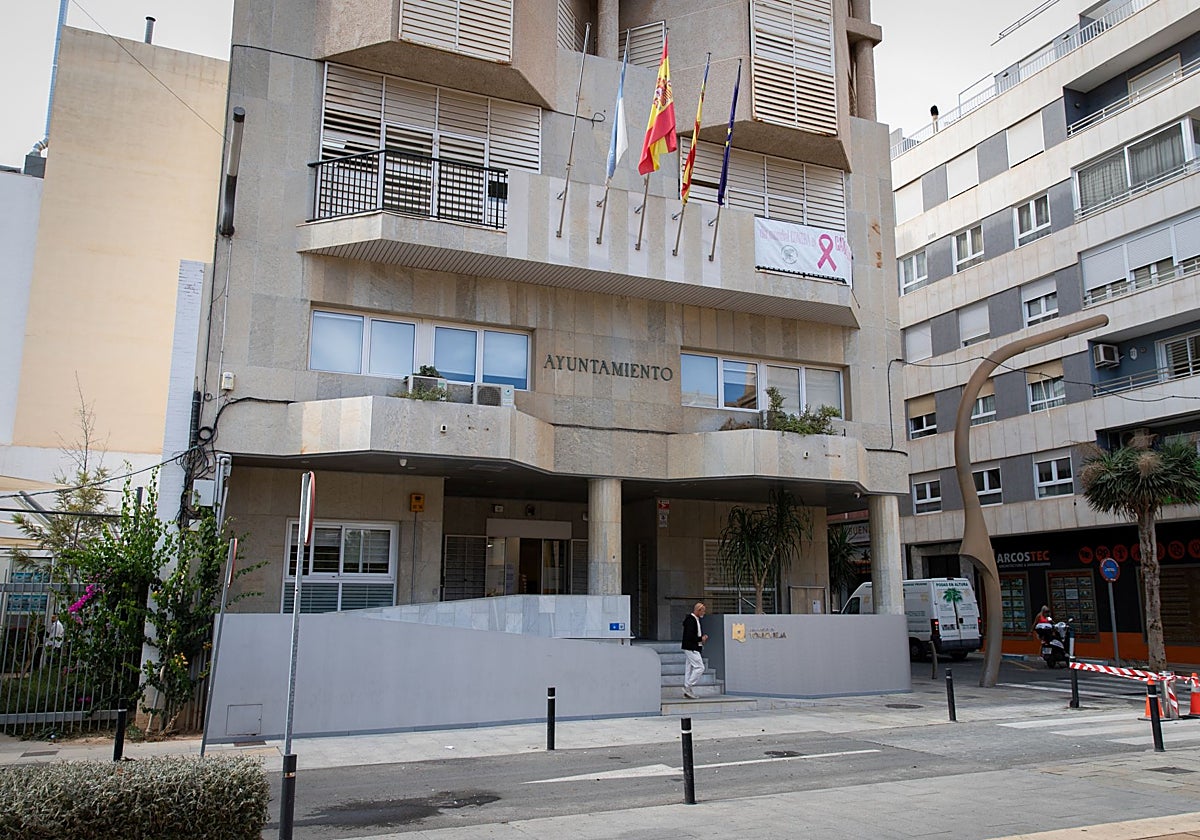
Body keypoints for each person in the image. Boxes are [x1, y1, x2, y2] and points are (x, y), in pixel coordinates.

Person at [681, 602, 708, 699]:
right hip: (691, 647)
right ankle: (688, 686)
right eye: (703, 611)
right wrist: (701, 639)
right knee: (700, 667)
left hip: (690, 647)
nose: (704, 613)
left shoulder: (693, 620)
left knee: (689, 668)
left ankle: (687, 689)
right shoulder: (691, 620)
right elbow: (690, 636)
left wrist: (700, 639)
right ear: (698, 610)